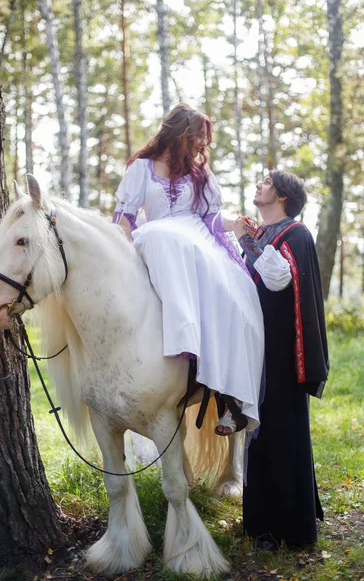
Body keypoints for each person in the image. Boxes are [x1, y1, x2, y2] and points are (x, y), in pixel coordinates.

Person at [112, 103, 264, 435]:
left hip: (195, 238)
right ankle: (182, 340)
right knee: (161, 237)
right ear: (180, 133)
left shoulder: (201, 175)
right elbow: (125, 215)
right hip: (159, 237)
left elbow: (210, 218)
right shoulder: (141, 168)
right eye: (197, 138)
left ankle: (231, 396)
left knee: (232, 294)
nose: (201, 146)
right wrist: (123, 250)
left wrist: (235, 222)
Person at [228, 170, 329, 550]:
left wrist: (245, 241)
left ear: (283, 196)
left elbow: (277, 280)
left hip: (284, 357)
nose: (258, 185)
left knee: (282, 436)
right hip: (257, 351)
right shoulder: (264, 235)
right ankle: (261, 525)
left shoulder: (296, 234)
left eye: (266, 182)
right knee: (259, 436)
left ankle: (291, 526)